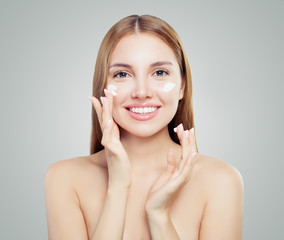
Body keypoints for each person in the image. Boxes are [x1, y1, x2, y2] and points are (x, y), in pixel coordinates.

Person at [44, 14, 244, 240]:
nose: (141, 92)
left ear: (182, 86)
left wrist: (158, 215)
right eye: (122, 74)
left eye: (159, 73)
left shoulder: (220, 180)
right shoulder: (64, 179)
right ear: (103, 86)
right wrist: (118, 189)